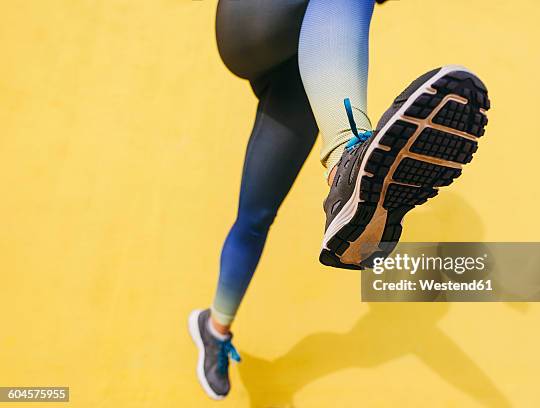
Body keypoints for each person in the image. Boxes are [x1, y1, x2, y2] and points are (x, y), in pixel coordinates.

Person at [188, 0, 490, 400]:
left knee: (256, 216)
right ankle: (349, 155)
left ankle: (214, 328)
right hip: (251, 20)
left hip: (301, 71)